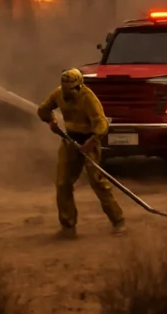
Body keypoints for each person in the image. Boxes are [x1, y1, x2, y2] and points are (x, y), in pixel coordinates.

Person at [37, 69, 125, 238]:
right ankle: (68, 226)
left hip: (89, 142)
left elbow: (102, 125)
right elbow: (43, 110)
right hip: (70, 142)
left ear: (79, 87)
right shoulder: (59, 94)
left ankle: (118, 220)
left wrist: (90, 143)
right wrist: (51, 121)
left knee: (97, 182)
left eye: (70, 90)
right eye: (64, 89)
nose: (67, 94)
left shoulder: (88, 99)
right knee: (63, 183)